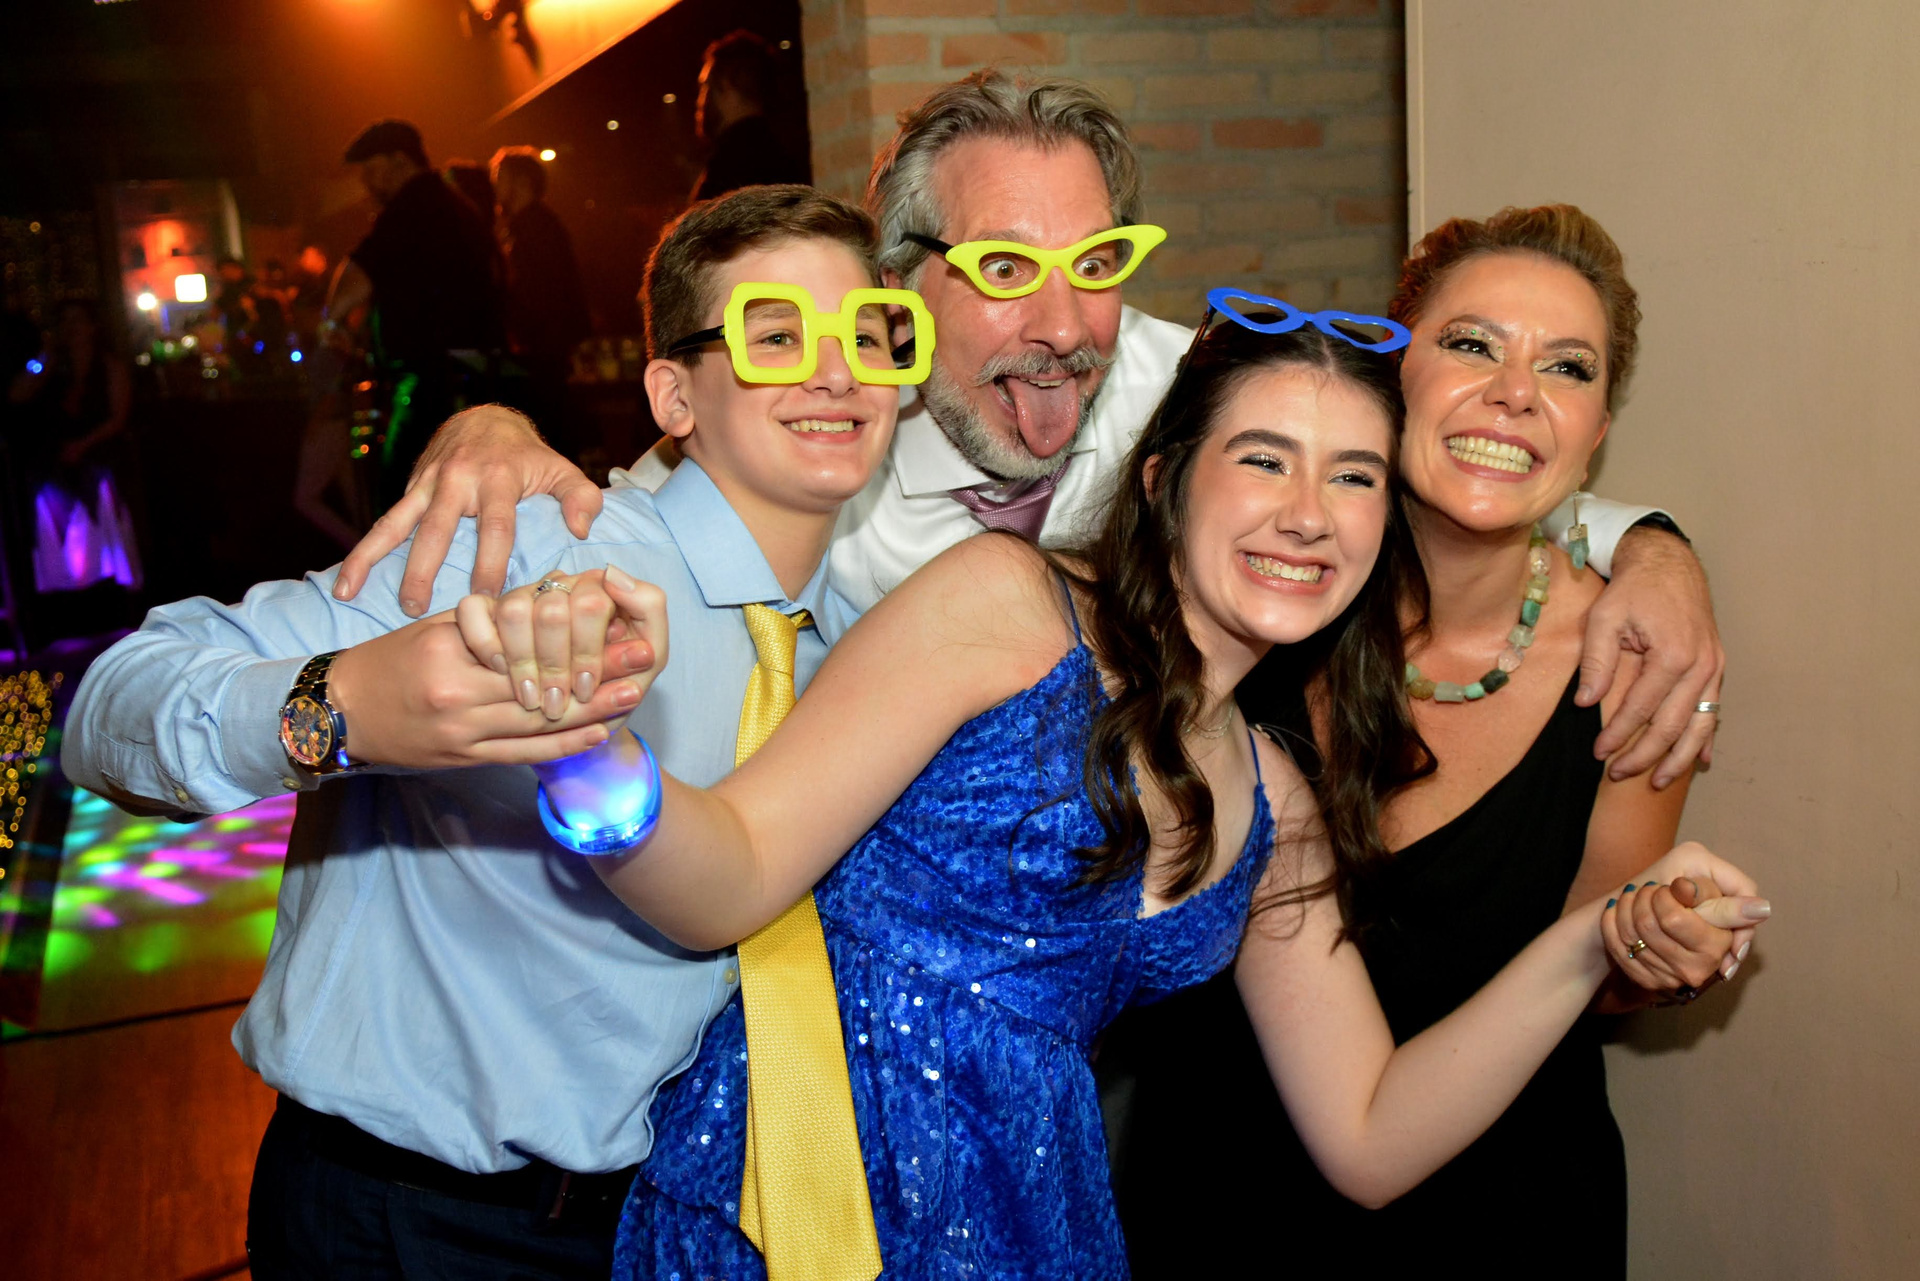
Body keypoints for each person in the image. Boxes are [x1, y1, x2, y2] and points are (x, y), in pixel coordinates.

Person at [472, 313, 1762, 1279]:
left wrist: (1590, 940)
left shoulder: (1274, 799)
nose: (1309, 515)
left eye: (1355, 476)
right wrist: (590, 762)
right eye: (1265, 460)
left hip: (1037, 1229)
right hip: (792, 1201)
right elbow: (734, 875)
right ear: (1165, 478)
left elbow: (1371, 1135)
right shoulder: (1010, 606)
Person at [335, 71, 1726, 793]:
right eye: (1004, 270)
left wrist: (1655, 550)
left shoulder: (1181, 385)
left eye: (1097, 266)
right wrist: (495, 429)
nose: (1064, 325)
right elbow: (644, 503)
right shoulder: (825, 434)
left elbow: (1428, 463)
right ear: (899, 288)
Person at [62, 185, 911, 1281]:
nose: (837, 372)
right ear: (674, 393)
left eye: (868, 335)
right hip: (413, 1217)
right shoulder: (529, 549)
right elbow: (113, 703)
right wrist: (347, 708)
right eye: (777, 336)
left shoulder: (851, 649)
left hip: (659, 1218)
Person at [1100, 207, 1742, 1277]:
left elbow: (1603, 977)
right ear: (1393, 378)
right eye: (1472, 344)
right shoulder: (1269, 586)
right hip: (1222, 1195)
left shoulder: (1635, 660)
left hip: (1504, 1214)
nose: (1516, 393)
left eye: (1567, 368)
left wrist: (1656, 947)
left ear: (1596, 433)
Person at [324, 119, 503, 509]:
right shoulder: (452, 205)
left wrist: (332, 322)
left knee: (405, 499)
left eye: (372, 171)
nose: (367, 184)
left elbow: (360, 274)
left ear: (400, 162)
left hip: (434, 381)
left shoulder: (413, 206)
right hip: (469, 376)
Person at [7, 299, 143, 637]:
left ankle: (111, 607)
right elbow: (17, 395)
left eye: (78, 320)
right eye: (65, 321)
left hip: (98, 462)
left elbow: (118, 418)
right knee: (60, 540)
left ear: (93, 326)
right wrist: (44, 357)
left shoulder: (109, 366)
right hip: (55, 470)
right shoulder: (50, 367)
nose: (72, 328)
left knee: (102, 532)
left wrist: (84, 445)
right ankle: (70, 612)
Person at [493, 145, 592, 456]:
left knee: (546, 439)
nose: (495, 189)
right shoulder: (536, 226)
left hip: (540, 356)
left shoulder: (534, 230)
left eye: (501, 179)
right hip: (543, 354)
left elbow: (539, 297)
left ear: (522, 182)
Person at [691, 30, 808, 202]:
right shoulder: (783, 160)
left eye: (705, 87)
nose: (699, 101)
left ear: (726, 86)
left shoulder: (728, 166)